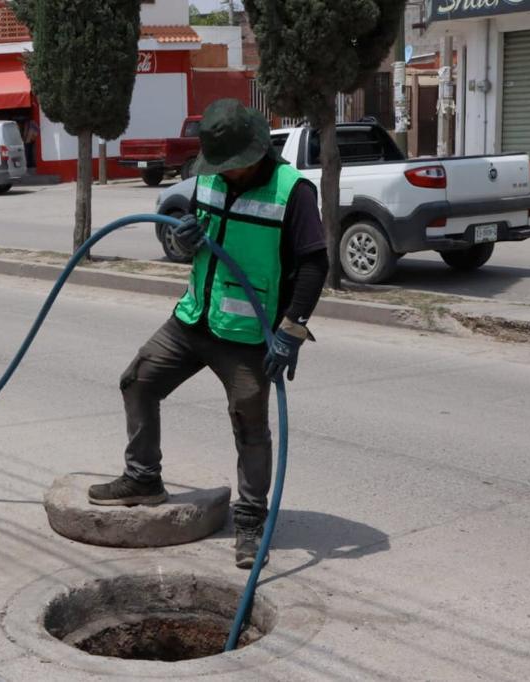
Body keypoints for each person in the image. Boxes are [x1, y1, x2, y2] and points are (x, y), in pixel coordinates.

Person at [87, 99, 328, 569]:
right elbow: (190, 241)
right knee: (138, 381)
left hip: (247, 334)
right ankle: (143, 479)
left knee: (250, 424)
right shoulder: (210, 182)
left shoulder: (292, 192)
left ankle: (252, 519)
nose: (225, 173)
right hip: (193, 317)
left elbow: (315, 263)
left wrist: (292, 329)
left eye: (232, 165)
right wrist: (183, 239)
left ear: (255, 152)